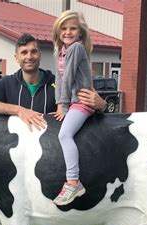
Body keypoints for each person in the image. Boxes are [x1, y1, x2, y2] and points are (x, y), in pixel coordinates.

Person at [0, 33, 106, 225]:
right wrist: (19, 110)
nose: (29, 57)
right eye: (24, 53)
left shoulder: (55, 81)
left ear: (40, 55)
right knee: (8, 215)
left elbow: (86, 98)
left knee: (36, 215)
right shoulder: (9, 84)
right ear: (16, 57)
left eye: (34, 52)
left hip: (46, 161)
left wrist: (100, 103)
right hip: (12, 162)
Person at [51, 11, 96, 206]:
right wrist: (59, 105)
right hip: (72, 101)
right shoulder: (61, 51)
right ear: (58, 31)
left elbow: (68, 77)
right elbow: (59, 79)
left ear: (80, 32)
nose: (68, 32)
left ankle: (73, 183)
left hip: (82, 100)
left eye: (73, 28)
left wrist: (66, 105)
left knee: (64, 135)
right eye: (64, 28)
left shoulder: (76, 48)